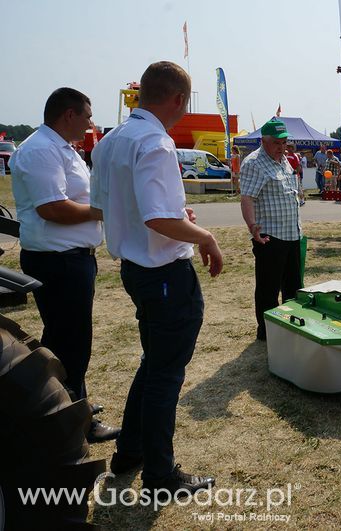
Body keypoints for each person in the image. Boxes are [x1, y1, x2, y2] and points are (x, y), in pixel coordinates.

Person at [91, 61, 223, 498]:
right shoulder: (155, 142)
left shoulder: (111, 141)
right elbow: (157, 216)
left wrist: (176, 218)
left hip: (137, 269)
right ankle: (160, 474)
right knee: (165, 373)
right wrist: (204, 235)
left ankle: (131, 451)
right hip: (163, 272)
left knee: (154, 365)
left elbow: (113, 206)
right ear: (179, 99)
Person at [9, 87, 119, 443]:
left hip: (72, 260)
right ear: (68, 114)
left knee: (69, 339)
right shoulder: (41, 150)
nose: (90, 123)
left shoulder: (60, 148)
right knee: (69, 341)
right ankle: (72, 420)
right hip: (57, 262)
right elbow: (52, 208)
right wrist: (103, 211)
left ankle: (69, 402)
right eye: (87, 116)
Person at [239, 119, 302, 341]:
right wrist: (252, 226)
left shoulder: (284, 160)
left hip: (292, 235)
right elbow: (247, 197)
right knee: (268, 289)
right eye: (276, 143)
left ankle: (292, 327)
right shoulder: (254, 163)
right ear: (263, 141)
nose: (281, 147)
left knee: (294, 287)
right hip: (270, 237)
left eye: (284, 142)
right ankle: (267, 332)